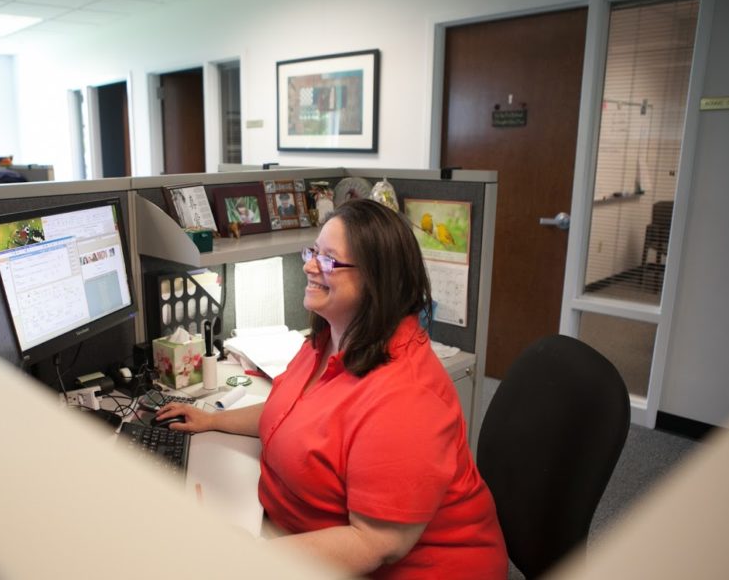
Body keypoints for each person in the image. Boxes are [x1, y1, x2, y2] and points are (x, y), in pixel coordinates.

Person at [157, 199, 507, 578]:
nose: (308, 266)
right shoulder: (329, 339)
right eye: (313, 251)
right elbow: (291, 410)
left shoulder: (406, 398)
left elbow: (374, 544)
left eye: (328, 260)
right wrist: (212, 420)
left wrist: (251, 556)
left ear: (377, 278)